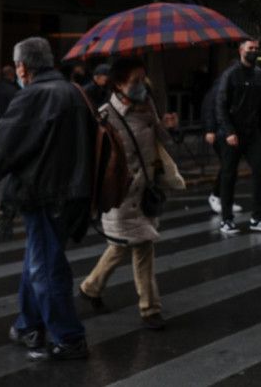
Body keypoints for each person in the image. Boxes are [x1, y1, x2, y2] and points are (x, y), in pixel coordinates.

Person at [0, 37, 92, 361]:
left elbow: (0, 146)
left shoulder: (35, 96)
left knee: (46, 267)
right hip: (71, 193)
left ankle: (69, 337)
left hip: (43, 194)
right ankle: (29, 324)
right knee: (39, 259)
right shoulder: (72, 91)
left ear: (22, 67)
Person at [78, 57, 183, 331]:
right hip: (122, 194)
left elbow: (164, 140)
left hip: (146, 189)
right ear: (119, 83)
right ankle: (150, 309)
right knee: (143, 247)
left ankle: (91, 287)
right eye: (135, 81)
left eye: (143, 79)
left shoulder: (147, 106)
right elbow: (96, 161)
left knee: (122, 245)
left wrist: (170, 126)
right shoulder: (105, 117)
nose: (140, 85)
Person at [215, 39, 261, 234]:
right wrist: (229, 131)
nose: (254, 51)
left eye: (256, 49)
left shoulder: (260, 76)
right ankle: (226, 220)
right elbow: (221, 105)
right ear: (241, 51)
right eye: (251, 48)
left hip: (253, 134)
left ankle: (257, 218)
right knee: (229, 175)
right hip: (232, 133)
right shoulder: (230, 75)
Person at [201, 75, 243, 215]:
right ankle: (217, 197)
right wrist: (210, 130)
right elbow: (209, 109)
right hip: (220, 133)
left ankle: (224, 199)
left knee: (230, 166)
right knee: (228, 166)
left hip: (229, 132)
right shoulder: (219, 88)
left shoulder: (232, 87)